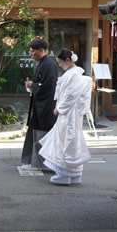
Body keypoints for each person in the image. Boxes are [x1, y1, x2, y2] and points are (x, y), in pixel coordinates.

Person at [38, 49, 92, 185]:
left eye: (61, 63)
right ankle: (74, 173)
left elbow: (71, 95)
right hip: (70, 114)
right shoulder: (73, 74)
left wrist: (59, 108)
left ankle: (65, 173)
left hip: (69, 114)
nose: (60, 66)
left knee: (65, 140)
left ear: (68, 60)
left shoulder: (74, 75)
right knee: (69, 140)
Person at [20, 38, 58, 168]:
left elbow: (48, 87)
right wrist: (34, 85)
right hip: (41, 105)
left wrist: (33, 85)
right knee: (37, 134)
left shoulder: (48, 65)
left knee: (42, 135)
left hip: (46, 107)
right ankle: (34, 161)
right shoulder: (44, 63)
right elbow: (43, 85)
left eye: (32, 52)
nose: (31, 54)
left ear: (41, 50)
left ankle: (40, 162)